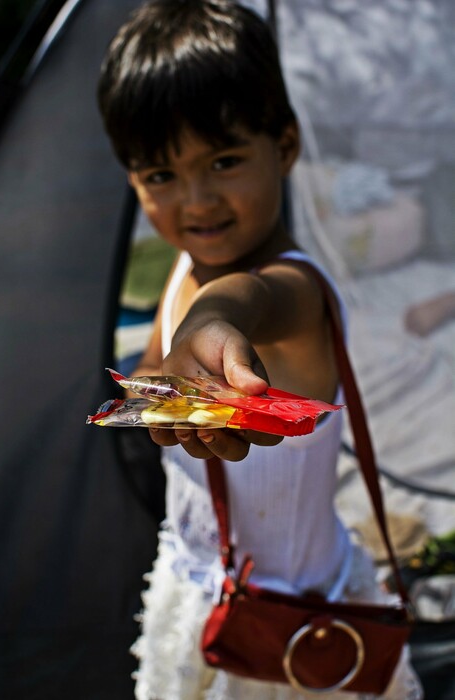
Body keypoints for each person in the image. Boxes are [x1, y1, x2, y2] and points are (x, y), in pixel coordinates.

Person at [97, 1, 422, 698]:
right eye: (160, 175)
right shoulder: (181, 272)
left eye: (223, 159)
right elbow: (160, 371)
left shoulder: (296, 293)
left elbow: (247, 299)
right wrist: (158, 392)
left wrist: (212, 321)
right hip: (197, 591)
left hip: (302, 627)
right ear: (131, 181)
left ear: (285, 144)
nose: (196, 200)